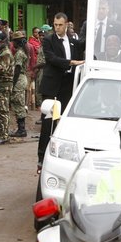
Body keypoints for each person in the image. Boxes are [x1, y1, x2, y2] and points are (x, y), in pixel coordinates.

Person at [37, 12, 84, 167]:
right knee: (48, 120)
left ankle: (63, 156)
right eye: (55, 25)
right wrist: (71, 62)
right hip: (51, 86)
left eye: (60, 25)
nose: (57, 28)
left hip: (67, 85)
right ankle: (42, 157)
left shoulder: (73, 41)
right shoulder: (48, 40)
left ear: (66, 24)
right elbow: (51, 58)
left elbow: (84, 46)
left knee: (64, 121)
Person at [10, 31, 29, 138]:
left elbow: (17, 69)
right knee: (19, 103)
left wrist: (13, 83)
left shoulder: (19, 53)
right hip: (22, 79)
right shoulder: (22, 51)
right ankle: (20, 128)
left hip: (19, 79)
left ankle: (21, 129)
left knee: (18, 104)